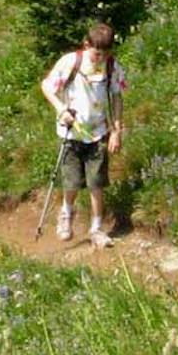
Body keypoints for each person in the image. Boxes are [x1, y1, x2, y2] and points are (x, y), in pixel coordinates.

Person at [39, 22, 126, 246]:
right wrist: (61, 109)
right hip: (71, 133)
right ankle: (66, 215)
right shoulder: (71, 62)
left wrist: (116, 131)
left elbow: (117, 97)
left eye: (105, 53)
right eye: (97, 53)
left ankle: (96, 229)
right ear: (86, 45)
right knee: (73, 180)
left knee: (97, 182)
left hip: (98, 132)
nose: (100, 58)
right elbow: (47, 87)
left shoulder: (112, 66)